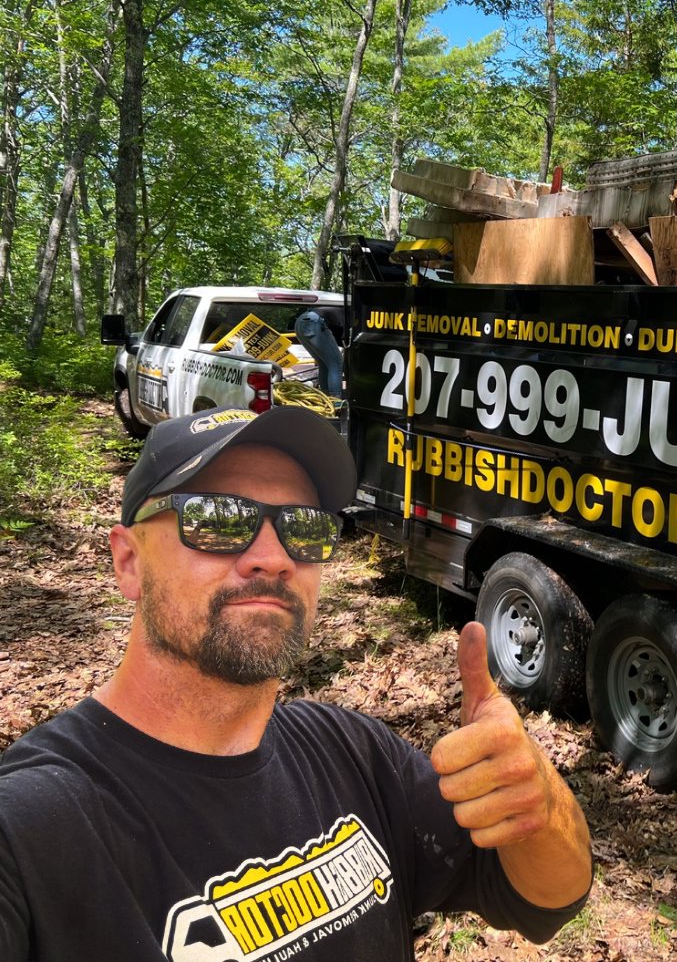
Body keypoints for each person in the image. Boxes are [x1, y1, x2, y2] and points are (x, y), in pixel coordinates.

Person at [0, 406, 592, 961]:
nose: (274, 557)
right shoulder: (34, 827)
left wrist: (540, 803)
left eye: (303, 528)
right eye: (217, 518)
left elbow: (548, 901)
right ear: (129, 561)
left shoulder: (354, 755)